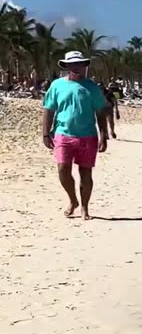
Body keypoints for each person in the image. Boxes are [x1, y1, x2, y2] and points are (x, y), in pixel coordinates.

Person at [41, 51, 110, 219]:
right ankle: (73, 200)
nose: (76, 67)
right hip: (62, 134)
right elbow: (49, 110)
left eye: (79, 64)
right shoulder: (57, 85)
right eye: (72, 64)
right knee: (63, 170)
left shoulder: (92, 87)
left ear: (84, 66)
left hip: (87, 136)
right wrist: (45, 133)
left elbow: (100, 112)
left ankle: (85, 207)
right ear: (66, 66)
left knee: (85, 173)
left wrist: (104, 134)